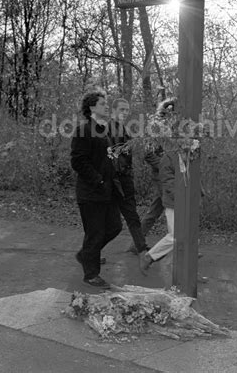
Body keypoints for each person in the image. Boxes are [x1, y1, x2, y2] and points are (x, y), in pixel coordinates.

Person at [70, 91, 122, 288]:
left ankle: (86, 254)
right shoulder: (83, 129)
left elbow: (104, 156)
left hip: (108, 190)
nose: (106, 107)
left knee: (115, 226)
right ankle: (91, 274)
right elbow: (78, 161)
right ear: (92, 107)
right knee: (95, 233)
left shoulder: (104, 130)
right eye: (102, 104)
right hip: (91, 192)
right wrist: (98, 180)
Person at [106, 98, 149, 271]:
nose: (125, 113)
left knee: (131, 215)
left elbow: (127, 155)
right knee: (106, 221)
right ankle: (89, 252)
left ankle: (142, 249)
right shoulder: (106, 129)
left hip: (124, 178)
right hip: (113, 180)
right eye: (122, 109)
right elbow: (110, 156)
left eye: (127, 110)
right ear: (113, 110)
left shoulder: (124, 129)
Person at [139, 98, 178, 271]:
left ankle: (138, 242)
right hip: (161, 175)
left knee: (157, 208)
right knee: (166, 206)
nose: (172, 114)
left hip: (170, 173)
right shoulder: (154, 126)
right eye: (169, 111)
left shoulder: (172, 126)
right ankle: (141, 245)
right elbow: (148, 154)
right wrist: (165, 164)